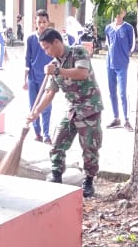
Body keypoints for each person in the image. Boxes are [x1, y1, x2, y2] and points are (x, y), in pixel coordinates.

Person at [27, 28, 104, 198]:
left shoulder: (78, 51)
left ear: (56, 42)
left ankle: (89, 182)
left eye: (47, 48)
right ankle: (56, 176)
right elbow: (49, 93)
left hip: (89, 108)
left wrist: (57, 71)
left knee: (89, 148)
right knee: (57, 143)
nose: (46, 52)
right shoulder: (54, 64)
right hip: (72, 109)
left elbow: (82, 73)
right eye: (44, 49)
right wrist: (36, 113)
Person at [24, 9, 54, 143]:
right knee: (33, 105)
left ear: (48, 23)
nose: (41, 25)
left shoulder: (52, 38)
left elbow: (57, 56)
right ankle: (37, 133)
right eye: (39, 22)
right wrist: (24, 79)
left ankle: (47, 134)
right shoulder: (31, 38)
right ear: (35, 23)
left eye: (44, 22)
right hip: (32, 77)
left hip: (47, 78)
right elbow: (27, 59)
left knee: (46, 106)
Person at [105, 9, 136, 130]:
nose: (118, 13)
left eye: (121, 11)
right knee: (111, 92)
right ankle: (116, 118)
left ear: (124, 13)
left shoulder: (128, 28)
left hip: (122, 64)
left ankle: (126, 120)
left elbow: (132, 45)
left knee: (122, 92)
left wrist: (125, 55)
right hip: (110, 64)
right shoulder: (108, 28)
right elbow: (108, 43)